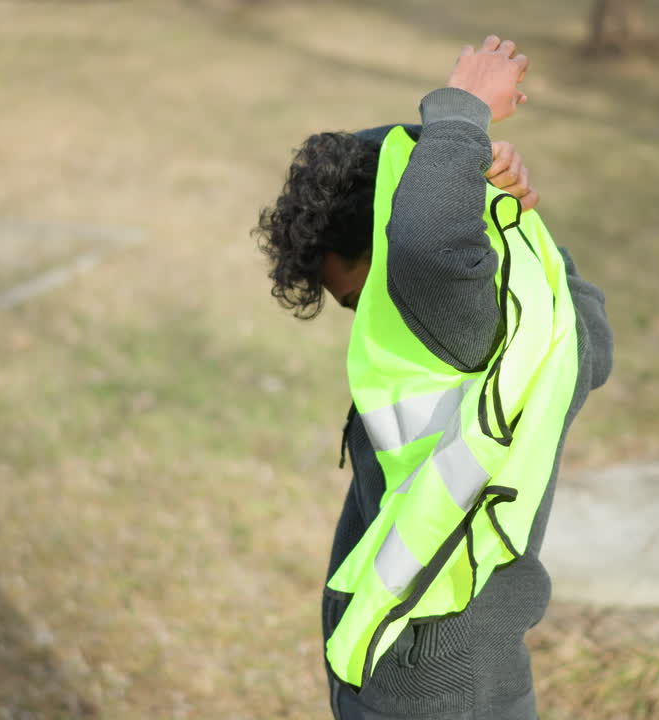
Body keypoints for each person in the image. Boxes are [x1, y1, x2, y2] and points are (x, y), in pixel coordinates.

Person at [255, 35, 613, 720]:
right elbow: (581, 320)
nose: (366, 324)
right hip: (467, 671)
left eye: (358, 301)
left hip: (421, 684)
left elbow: (421, 239)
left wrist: (462, 116)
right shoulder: (537, 331)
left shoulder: (445, 315)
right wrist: (512, 213)